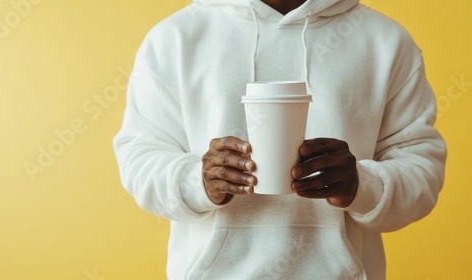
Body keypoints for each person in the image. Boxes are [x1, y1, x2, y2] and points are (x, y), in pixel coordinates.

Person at [113, 0, 447, 279]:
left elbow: (422, 168)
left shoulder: (386, 42)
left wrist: (363, 184)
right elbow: (140, 158)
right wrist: (197, 181)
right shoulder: (174, 38)